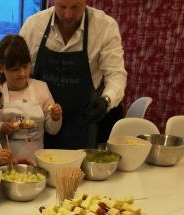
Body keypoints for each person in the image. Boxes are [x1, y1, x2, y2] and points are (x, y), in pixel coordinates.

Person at [20, 0, 127, 149]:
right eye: (62, 7)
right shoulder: (34, 25)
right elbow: (18, 67)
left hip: (82, 126)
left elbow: (116, 74)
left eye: (75, 7)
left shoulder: (104, 27)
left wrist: (106, 100)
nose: (68, 15)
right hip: (37, 129)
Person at [0, 35, 62, 163]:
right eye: (15, 69)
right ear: (1, 68)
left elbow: (52, 130)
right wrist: (0, 127)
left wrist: (55, 118)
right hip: (8, 164)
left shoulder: (41, 88)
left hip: (38, 160)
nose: (22, 74)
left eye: (25, 67)